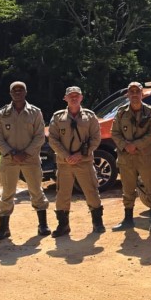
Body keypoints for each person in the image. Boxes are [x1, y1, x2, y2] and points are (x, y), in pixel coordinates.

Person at [0, 81, 51, 241]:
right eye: (14, 90)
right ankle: (3, 228)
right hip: (9, 160)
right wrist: (12, 153)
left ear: (25, 92)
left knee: (36, 190)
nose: (17, 92)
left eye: (20, 90)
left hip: (30, 159)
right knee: (7, 193)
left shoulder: (35, 112)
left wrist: (27, 153)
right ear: (10, 93)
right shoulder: (2, 114)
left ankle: (43, 225)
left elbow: (40, 136)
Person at [47, 86, 105, 237]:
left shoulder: (90, 116)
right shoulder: (58, 117)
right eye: (70, 96)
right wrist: (66, 155)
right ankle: (63, 225)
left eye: (76, 95)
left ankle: (97, 222)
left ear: (81, 98)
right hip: (64, 163)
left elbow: (96, 138)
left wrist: (80, 155)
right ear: (65, 98)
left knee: (91, 191)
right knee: (62, 194)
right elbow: (52, 139)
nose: (74, 98)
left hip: (84, 161)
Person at [111, 82, 151, 232]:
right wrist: (125, 146)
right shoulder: (121, 113)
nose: (134, 94)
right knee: (128, 189)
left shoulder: (150, 112)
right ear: (127, 94)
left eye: (137, 91)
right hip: (126, 158)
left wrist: (136, 145)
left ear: (142, 93)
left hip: (145, 157)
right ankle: (128, 220)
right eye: (131, 92)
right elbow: (115, 132)